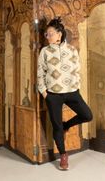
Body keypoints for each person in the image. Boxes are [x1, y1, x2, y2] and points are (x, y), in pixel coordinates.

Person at [37, 17, 93, 170]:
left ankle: (66, 125)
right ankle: (63, 155)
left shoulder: (72, 50)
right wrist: (44, 93)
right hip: (53, 95)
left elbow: (77, 70)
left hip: (72, 92)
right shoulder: (45, 51)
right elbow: (40, 73)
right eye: (46, 34)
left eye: (49, 33)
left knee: (87, 115)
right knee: (57, 127)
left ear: (59, 34)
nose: (46, 36)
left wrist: (76, 86)